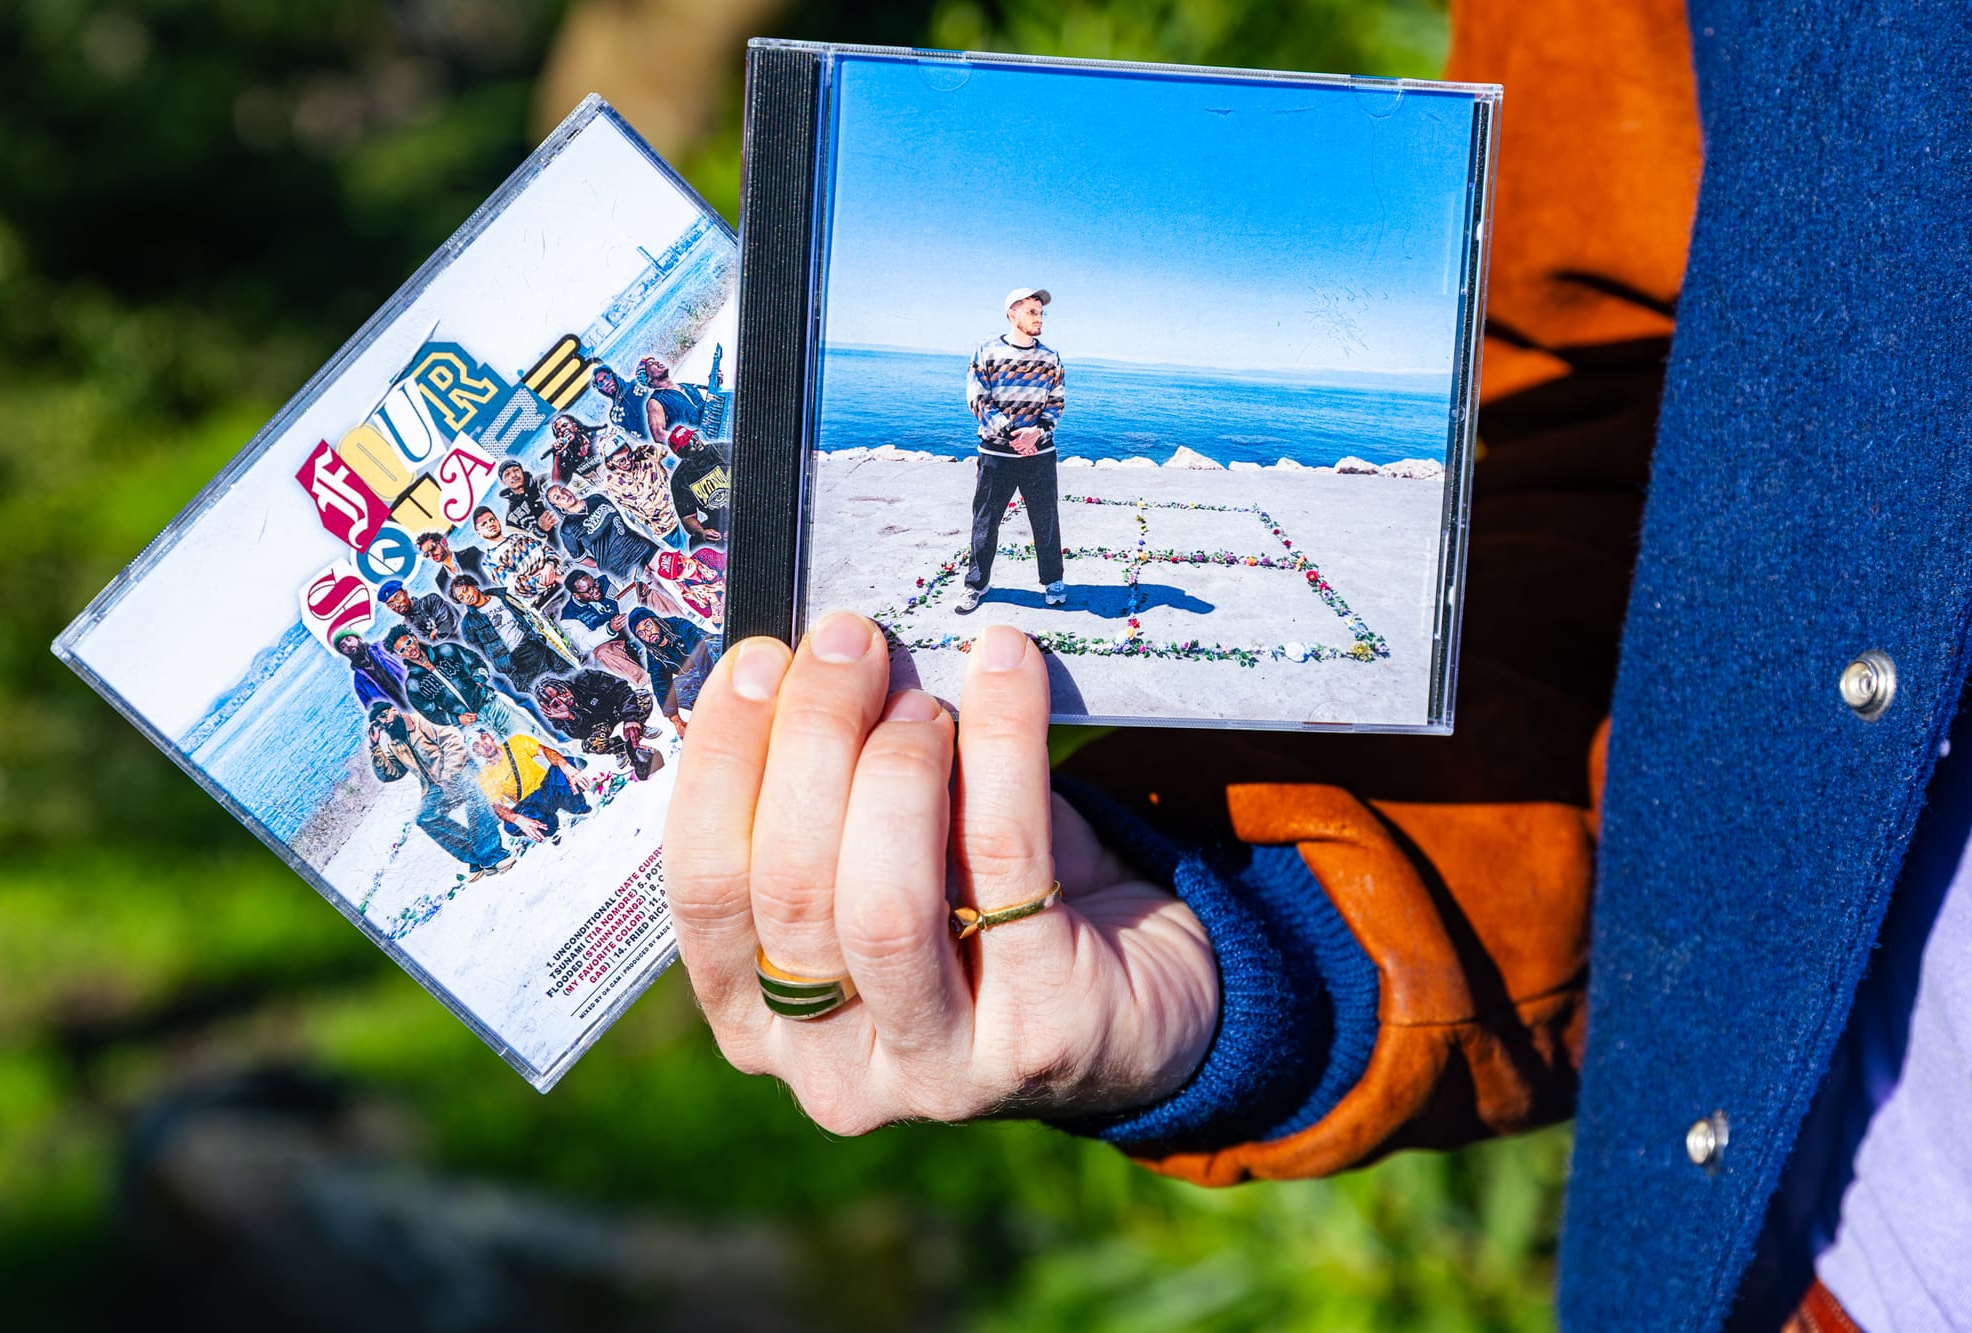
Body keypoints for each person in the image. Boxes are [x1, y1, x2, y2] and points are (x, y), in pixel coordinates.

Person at [661, 1, 1971, 1328]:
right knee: (1012, 538)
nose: (1037, 312)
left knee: (1035, 532)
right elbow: (1631, 461)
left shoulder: (1042, 361)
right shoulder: (1017, 360)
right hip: (1809, 1262)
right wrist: (1253, 921)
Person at [958, 287, 1066, 613]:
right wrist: (1010, 431)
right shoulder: (986, 351)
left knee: (1045, 520)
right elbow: (977, 397)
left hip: (1039, 455)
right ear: (1013, 314)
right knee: (986, 521)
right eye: (1032, 312)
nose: (1039, 318)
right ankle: (977, 584)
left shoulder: (1051, 358)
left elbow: (1056, 402)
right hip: (996, 454)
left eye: (1041, 313)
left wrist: (1038, 431)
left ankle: (1053, 581)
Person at [365, 701, 513, 881]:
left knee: (475, 792)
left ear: (393, 710)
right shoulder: (395, 744)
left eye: (383, 716)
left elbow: (453, 742)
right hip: (435, 788)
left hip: (461, 771)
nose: (384, 723)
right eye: (379, 723)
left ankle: (493, 855)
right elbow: (389, 775)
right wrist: (374, 747)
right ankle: (476, 856)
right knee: (424, 817)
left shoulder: (422, 720)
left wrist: (448, 776)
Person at [445, 575, 575, 720]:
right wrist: (502, 663)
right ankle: (576, 721)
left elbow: (523, 613)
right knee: (550, 699)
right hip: (516, 662)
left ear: (473, 584)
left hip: (534, 646)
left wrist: (536, 635)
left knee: (570, 676)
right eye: (461, 597)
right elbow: (479, 652)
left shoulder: (502, 595)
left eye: (466, 590)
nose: (466, 597)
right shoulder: (468, 623)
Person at [383, 625, 534, 742]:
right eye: (402, 650)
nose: (409, 649)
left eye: (408, 642)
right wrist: (457, 719)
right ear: (399, 655)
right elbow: (431, 713)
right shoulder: (413, 685)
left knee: (531, 739)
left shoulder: (447, 650)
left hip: (492, 705)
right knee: (503, 765)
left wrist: (479, 680)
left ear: (414, 638)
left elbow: (476, 661)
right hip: (472, 727)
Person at [470, 729, 590, 845]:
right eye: (478, 745)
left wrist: (565, 766)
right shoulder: (484, 777)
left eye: (484, 738)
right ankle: (552, 826)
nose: (484, 744)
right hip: (531, 803)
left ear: (490, 737)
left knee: (564, 762)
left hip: (548, 787)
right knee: (510, 825)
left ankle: (577, 808)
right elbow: (498, 807)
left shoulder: (516, 742)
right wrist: (517, 819)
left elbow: (546, 751)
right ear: (476, 752)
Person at [537, 672, 661, 779]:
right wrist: (570, 717)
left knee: (643, 698)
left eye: (562, 692)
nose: (563, 699)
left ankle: (638, 728)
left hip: (617, 707)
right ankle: (619, 748)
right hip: (600, 724)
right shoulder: (557, 716)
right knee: (590, 745)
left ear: (563, 685)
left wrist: (630, 718)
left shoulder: (584, 678)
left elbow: (622, 689)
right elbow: (585, 734)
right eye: (556, 702)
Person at [557, 568, 654, 692]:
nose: (596, 590)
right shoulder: (569, 616)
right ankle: (645, 683)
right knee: (601, 652)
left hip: (633, 621)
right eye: (589, 590)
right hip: (614, 641)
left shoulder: (605, 581)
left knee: (652, 596)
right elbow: (585, 643)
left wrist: (639, 591)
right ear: (577, 595)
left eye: (594, 584)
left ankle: (679, 632)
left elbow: (627, 592)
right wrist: (609, 629)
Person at [626, 608, 713, 737]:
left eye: (648, 625)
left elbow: (702, 652)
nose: (648, 633)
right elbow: (660, 684)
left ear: (656, 620)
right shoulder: (654, 654)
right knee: (677, 690)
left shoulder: (680, 626)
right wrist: (676, 720)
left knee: (712, 648)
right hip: (700, 676)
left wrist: (712, 686)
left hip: (717, 658)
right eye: (641, 633)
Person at [547, 483, 658, 581]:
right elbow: (580, 558)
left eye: (562, 490)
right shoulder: (568, 528)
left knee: (672, 569)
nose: (564, 495)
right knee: (658, 593)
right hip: (621, 566)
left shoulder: (596, 498)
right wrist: (603, 564)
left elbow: (625, 521)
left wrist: (644, 537)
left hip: (638, 546)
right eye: (557, 497)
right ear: (557, 506)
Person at [593, 435, 682, 544]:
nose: (628, 461)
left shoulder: (646, 454)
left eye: (629, 455)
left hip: (682, 515)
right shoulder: (610, 486)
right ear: (610, 462)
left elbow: (673, 455)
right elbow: (624, 517)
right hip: (665, 532)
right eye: (621, 461)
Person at [471, 506, 565, 605]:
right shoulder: (489, 561)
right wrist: (550, 578)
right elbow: (516, 585)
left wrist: (549, 565)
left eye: (492, 520)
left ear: (498, 521)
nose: (490, 524)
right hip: (544, 602)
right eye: (484, 524)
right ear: (479, 532)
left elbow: (546, 550)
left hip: (563, 581)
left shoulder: (518, 537)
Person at [664, 425, 728, 546]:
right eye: (689, 443)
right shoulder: (680, 479)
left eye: (694, 437)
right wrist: (702, 532)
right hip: (719, 523)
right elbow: (688, 518)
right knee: (696, 543)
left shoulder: (723, 449)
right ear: (681, 453)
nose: (696, 442)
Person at [637, 355, 714, 444]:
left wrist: (715, 386)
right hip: (702, 444)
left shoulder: (686, 386)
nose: (657, 362)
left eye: (655, 360)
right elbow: (658, 435)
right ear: (648, 379)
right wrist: (689, 439)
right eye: (651, 364)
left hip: (718, 429)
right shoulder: (655, 402)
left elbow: (705, 406)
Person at [332, 628, 407, 711]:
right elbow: (372, 710)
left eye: (349, 640)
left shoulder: (383, 647)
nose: (348, 645)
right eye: (343, 646)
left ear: (358, 638)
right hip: (405, 713)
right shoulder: (359, 682)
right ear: (344, 654)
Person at [651, 545, 724, 627]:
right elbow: (717, 623)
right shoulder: (688, 595)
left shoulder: (702, 554)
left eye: (679, 559)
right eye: (679, 568)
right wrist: (713, 598)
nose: (684, 564)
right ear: (678, 579)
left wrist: (711, 588)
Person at [377, 578, 457, 644]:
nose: (397, 605)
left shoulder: (431, 600)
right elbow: (430, 645)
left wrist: (438, 631)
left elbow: (449, 623)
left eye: (397, 597)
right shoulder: (407, 626)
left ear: (405, 592)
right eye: (391, 604)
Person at [589, 362, 653, 442]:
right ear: (601, 390)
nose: (606, 383)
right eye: (601, 383)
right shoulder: (615, 416)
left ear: (613, 376)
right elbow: (638, 439)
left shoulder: (638, 383)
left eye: (607, 377)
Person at [414, 530, 487, 596]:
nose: (431, 554)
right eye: (427, 554)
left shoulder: (471, 553)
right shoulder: (440, 580)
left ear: (444, 542)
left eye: (432, 548)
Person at [494, 461, 556, 538]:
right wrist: (540, 530)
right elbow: (527, 540)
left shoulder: (545, 479)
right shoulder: (511, 518)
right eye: (507, 474)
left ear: (522, 471)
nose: (513, 475)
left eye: (516, 470)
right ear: (503, 482)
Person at [545, 413, 607, 487]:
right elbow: (558, 484)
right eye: (558, 431)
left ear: (575, 426)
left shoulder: (596, 437)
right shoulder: (566, 457)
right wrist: (557, 456)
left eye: (565, 425)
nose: (563, 430)